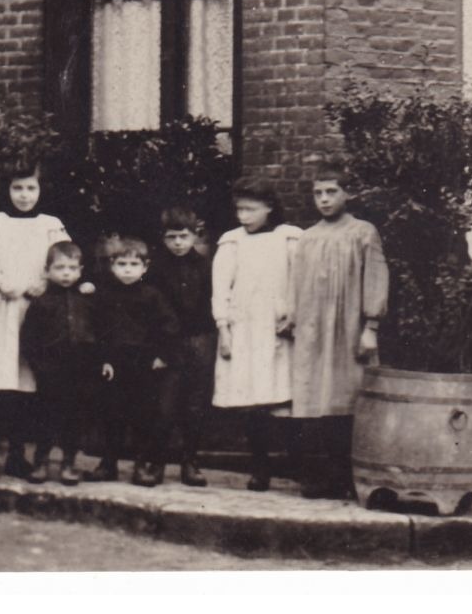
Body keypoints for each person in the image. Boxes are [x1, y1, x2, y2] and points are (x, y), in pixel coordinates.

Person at [287, 163, 389, 499]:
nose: (324, 199)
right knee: (315, 398)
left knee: (348, 399)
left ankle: (347, 476)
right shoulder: (309, 237)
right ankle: (318, 477)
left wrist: (370, 326)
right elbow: (297, 283)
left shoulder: (363, 232)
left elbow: (374, 277)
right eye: (318, 193)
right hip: (314, 330)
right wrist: (293, 317)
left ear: (348, 193)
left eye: (331, 192)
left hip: (348, 329)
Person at [0, 162, 67, 479]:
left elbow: (64, 258)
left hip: (37, 311)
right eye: (17, 188)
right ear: (7, 190)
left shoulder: (50, 225)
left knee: (27, 383)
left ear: (40, 190)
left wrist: (46, 282)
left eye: (31, 188)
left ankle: (17, 453)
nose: (24, 196)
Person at [213, 177, 304, 491]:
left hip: (279, 329)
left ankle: (297, 466)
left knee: (284, 396)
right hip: (245, 330)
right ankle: (260, 467)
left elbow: (299, 281)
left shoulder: (288, 238)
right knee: (254, 401)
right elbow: (221, 288)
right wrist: (224, 329)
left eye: (251, 210)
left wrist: (293, 314)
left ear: (269, 207)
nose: (244, 216)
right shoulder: (232, 242)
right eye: (240, 210)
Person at [88, 236, 179, 487]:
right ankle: (108, 464)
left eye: (133, 264)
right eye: (122, 264)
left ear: (144, 267)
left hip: (143, 363)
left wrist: (162, 355)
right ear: (112, 266)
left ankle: (140, 465)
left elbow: (169, 326)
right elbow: (97, 329)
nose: (127, 270)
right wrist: (103, 359)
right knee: (112, 413)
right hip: (114, 364)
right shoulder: (104, 296)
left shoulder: (152, 296)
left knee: (143, 416)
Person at [19, 240, 99, 485]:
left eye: (72, 268)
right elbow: (29, 339)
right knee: (46, 416)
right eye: (60, 268)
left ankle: (68, 463)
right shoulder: (41, 301)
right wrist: (39, 365)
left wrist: (93, 361)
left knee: (74, 417)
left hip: (78, 369)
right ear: (47, 271)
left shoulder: (86, 300)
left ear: (80, 270)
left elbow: (97, 333)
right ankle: (40, 461)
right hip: (50, 370)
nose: (66, 274)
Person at [148, 206, 216, 487]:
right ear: (163, 238)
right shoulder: (154, 269)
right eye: (171, 237)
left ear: (194, 236)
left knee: (196, 405)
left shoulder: (206, 266)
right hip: (167, 345)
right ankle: (157, 463)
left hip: (200, 341)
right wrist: (157, 349)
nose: (177, 243)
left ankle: (190, 462)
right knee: (164, 406)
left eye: (183, 236)